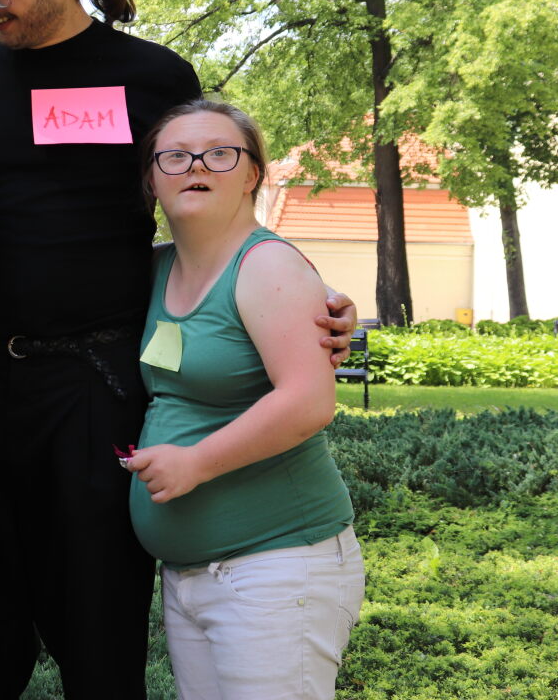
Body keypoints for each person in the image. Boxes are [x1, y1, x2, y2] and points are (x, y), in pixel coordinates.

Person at [0, 0, 356, 699]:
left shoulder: (150, 74)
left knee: (100, 641)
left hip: (98, 387)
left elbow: (213, 200)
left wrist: (303, 294)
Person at [125, 99, 363, 699]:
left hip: (277, 567)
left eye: (219, 153)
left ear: (253, 173)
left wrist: (195, 462)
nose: (196, 165)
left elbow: (310, 402)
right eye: (174, 156)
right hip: (191, 576)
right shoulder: (158, 268)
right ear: (151, 178)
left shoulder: (267, 266)